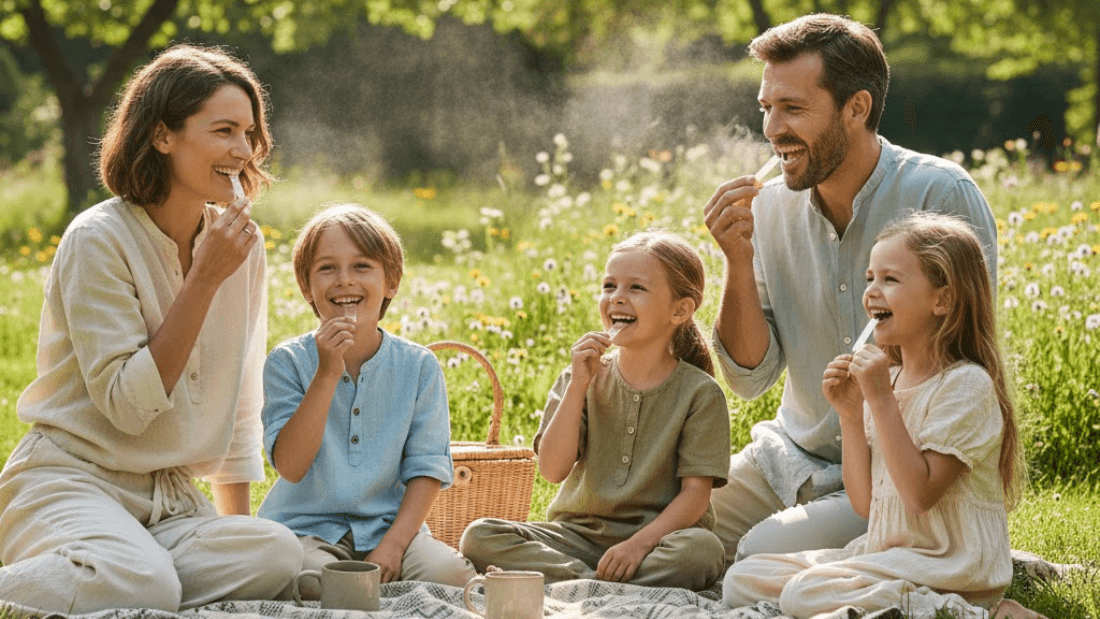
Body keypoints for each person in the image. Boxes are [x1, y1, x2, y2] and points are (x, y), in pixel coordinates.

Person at [0, 45, 302, 613]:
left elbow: (239, 400)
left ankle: (132, 574)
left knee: (277, 554)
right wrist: (203, 279)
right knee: (143, 583)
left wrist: (236, 539)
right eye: (224, 131)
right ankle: (114, 573)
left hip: (169, 499)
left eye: (248, 133)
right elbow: (128, 406)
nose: (243, 151)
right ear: (163, 135)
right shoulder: (98, 240)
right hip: (71, 479)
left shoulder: (242, 244)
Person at [702, 13, 999, 564]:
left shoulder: (940, 195)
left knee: (754, 556)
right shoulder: (769, 208)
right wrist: (736, 262)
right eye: (767, 107)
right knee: (668, 532)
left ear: (856, 108)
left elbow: (962, 352)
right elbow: (749, 378)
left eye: (793, 108)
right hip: (788, 459)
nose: (772, 129)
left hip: (895, 471)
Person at [723, 213, 1025, 618]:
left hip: (947, 565)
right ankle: (878, 603)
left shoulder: (966, 385)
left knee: (801, 593)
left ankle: (969, 611)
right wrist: (850, 414)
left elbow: (918, 496)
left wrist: (881, 401)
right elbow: (866, 505)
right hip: (885, 554)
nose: (871, 293)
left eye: (890, 279)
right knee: (743, 578)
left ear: (942, 300)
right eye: (870, 278)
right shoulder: (890, 378)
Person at [460, 231, 730, 591]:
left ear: (679, 310)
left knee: (702, 552)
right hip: (576, 538)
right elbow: (552, 470)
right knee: (479, 536)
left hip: (656, 542)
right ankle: (591, 582)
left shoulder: (701, 393)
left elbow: (695, 496)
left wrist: (637, 545)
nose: (616, 297)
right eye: (609, 286)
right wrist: (578, 386)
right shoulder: (580, 377)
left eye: (636, 287)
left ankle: (583, 581)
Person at [257, 204, 475, 592]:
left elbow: (426, 470)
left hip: (389, 528)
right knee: (316, 581)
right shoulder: (286, 362)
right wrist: (327, 373)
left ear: (391, 282)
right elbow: (290, 466)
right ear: (306, 287)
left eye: (361, 266)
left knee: (452, 577)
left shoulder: (419, 366)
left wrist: (394, 546)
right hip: (306, 531)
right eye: (327, 268)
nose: (344, 280)